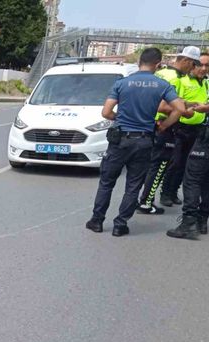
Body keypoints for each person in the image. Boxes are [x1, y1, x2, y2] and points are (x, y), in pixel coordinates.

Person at [86, 48, 186, 237]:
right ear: (158, 64)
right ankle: (120, 225)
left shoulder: (122, 83)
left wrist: (120, 118)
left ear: (140, 61)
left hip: (120, 140)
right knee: (133, 185)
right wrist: (164, 125)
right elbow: (179, 109)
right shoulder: (162, 84)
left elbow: (106, 112)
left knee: (107, 182)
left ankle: (97, 221)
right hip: (145, 141)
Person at [136, 46, 201, 214]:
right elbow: (162, 105)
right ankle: (146, 202)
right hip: (164, 127)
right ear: (185, 61)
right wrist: (184, 111)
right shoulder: (173, 77)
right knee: (159, 165)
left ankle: (142, 199)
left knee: (151, 165)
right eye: (193, 64)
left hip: (150, 126)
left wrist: (185, 104)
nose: (193, 69)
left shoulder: (163, 73)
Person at [159, 52, 209, 207]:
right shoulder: (182, 80)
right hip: (180, 127)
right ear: (193, 64)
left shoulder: (206, 83)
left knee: (188, 165)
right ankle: (166, 192)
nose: (203, 68)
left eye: (207, 65)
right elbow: (172, 102)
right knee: (175, 162)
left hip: (198, 129)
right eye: (200, 64)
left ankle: (174, 191)